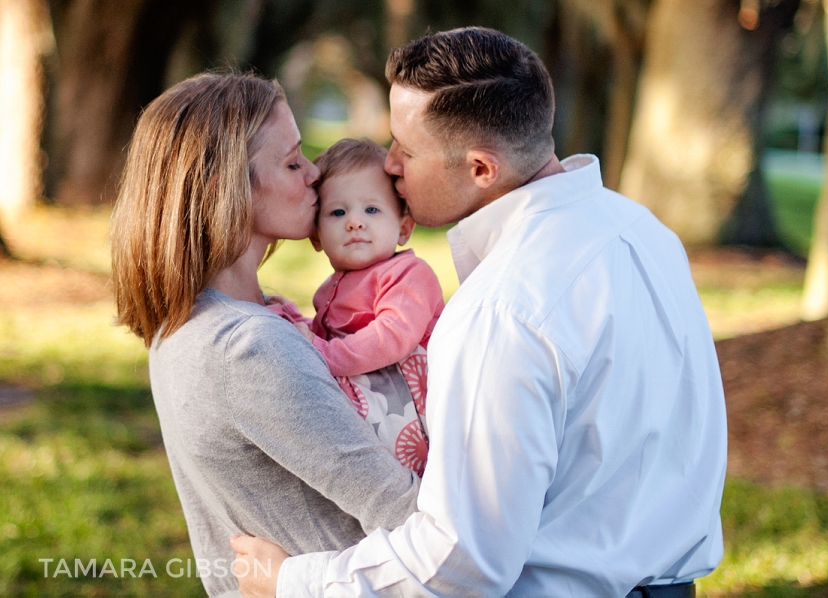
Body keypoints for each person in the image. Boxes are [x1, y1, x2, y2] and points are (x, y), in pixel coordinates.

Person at [232, 27, 728, 598]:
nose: (389, 165)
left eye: (406, 150)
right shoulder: (642, 231)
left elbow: (462, 560)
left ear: (481, 169)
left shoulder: (502, 310)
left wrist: (291, 581)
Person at [109, 72, 421, 598]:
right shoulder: (246, 348)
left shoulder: (190, 320)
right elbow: (415, 521)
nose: (315, 172)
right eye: (293, 161)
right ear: (225, 186)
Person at [266, 138, 444, 476]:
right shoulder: (329, 290)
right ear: (316, 237)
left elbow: (392, 337)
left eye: (372, 209)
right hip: (370, 406)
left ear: (404, 228)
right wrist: (294, 321)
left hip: (409, 406)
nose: (355, 222)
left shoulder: (407, 275)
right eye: (338, 212)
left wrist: (321, 354)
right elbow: (323, 337)